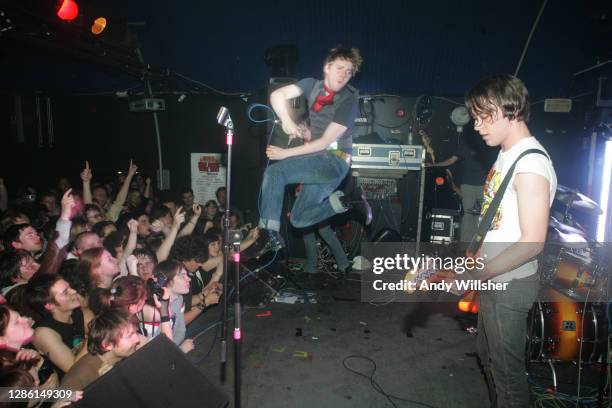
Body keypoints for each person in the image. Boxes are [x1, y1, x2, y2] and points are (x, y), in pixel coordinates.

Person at [463, 74, 557, 407]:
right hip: (494, 279)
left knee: (508, 379)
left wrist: (478, 274)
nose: (476, 125)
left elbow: (533, 241)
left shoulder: (530, 163)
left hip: (509, 284)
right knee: (489, 360)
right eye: (474, 117)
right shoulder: (508, 155)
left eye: (482, 116)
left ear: (509, 111)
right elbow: (497, 224)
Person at [257, 46, 371, 252]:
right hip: (321, 161)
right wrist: (288, 121)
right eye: (340, 68)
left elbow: (325, 143)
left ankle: (268, 234)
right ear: (327, 67)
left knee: (275, 172)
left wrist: (285, 154)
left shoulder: (349, 99)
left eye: (349, 72)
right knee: (299, 219)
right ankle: (349, 201)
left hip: (335, 162)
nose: (344, 75)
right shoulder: (311, 85)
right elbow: (277, 95)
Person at [60, 308, 140, 390]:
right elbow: (59, 400)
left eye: (135, 332)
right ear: (107, 345)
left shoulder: (125, 352)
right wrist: (103, 386)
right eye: (130, 336)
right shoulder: (80, 377)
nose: (137, 339)